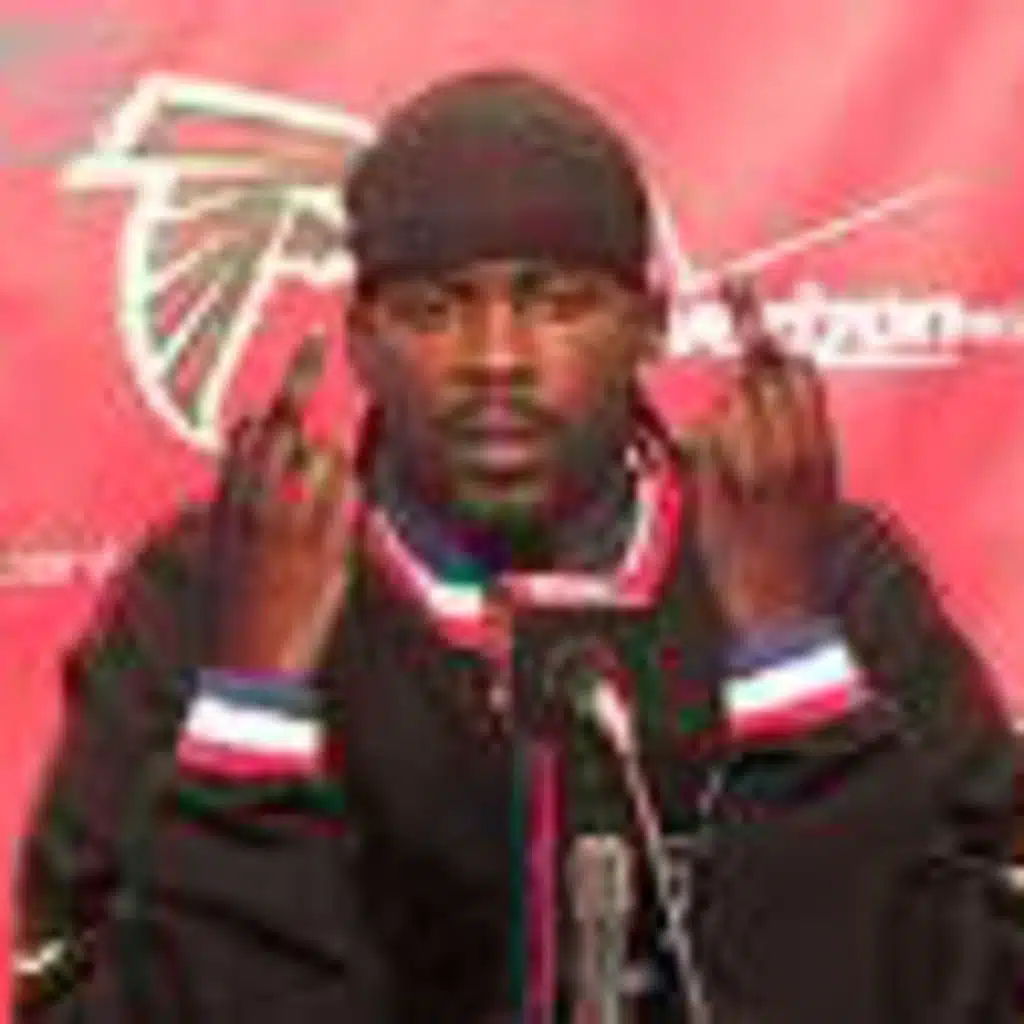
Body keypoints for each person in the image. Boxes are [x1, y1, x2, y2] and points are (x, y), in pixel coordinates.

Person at [12, 69, 1019, 1023]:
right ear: (361, 341)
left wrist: (790, 659)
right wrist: (253, 705)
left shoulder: (825, 570)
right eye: (432, 309)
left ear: (650, 325)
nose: (495, 358)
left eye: (557, 302)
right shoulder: (212, 586)